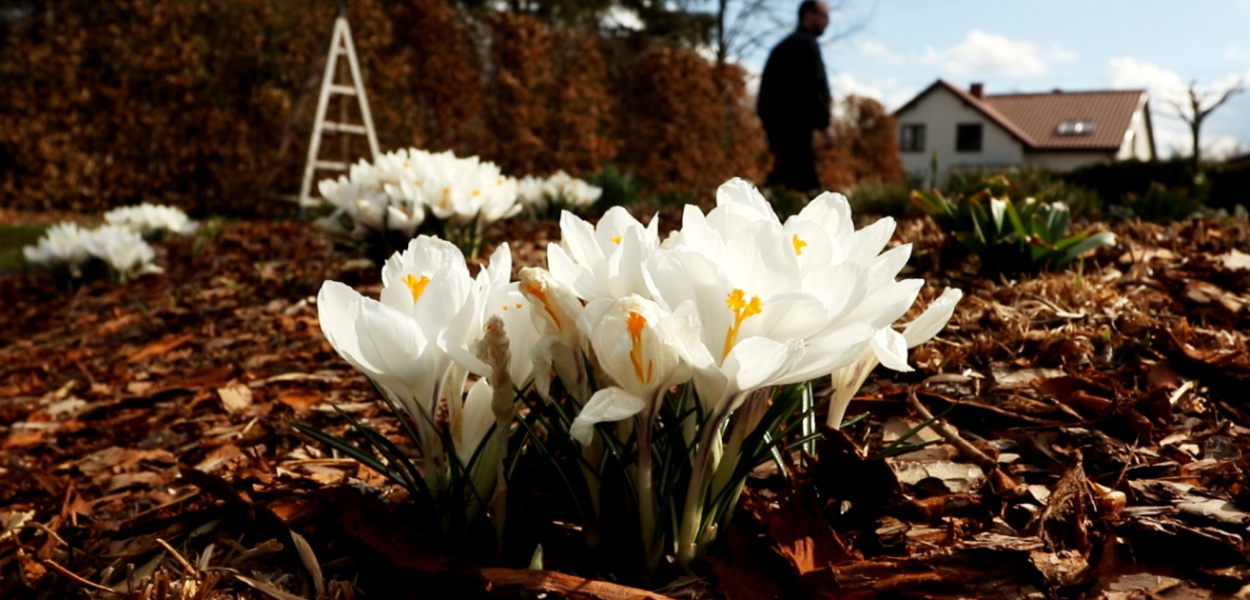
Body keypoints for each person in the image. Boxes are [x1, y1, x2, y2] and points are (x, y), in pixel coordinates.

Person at [757, 0, 836, 194]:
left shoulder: (782, 47)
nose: (827, 21)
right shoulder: (806, 45)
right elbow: (812, 87)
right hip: (797, 130)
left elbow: (764, 95)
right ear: (808, 15)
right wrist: (825, 124)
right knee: (805, 184)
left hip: (779, 128)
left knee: (784, 177)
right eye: (824, 16)